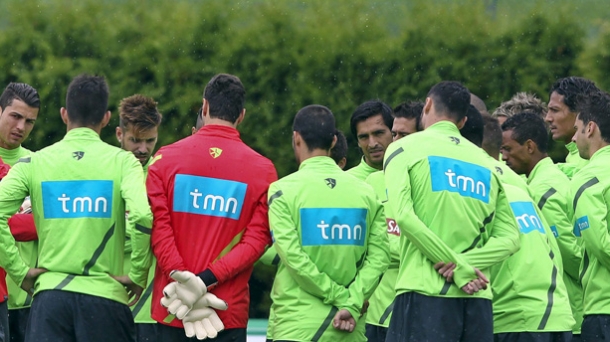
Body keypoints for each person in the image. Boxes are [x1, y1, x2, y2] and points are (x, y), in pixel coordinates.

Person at [0, 74, 153, 342]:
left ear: (63, 114)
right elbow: (142, 216)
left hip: (49, 301)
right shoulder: (124, 162)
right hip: (106, 299)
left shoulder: (36, 162)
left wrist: (19, 270)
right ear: (106, 119)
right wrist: (138, 274)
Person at [384, 81, 520, 342]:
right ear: (463, 121)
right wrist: (467, 265)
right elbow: (511, 238)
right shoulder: (487, 162)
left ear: (427, 105)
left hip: (423, 293)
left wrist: (457, 267)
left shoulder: (403, 148)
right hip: (477, 298)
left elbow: (403, 216)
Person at [147, 73, 277, 341]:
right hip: (226, 314)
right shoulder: (263, 170)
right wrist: (203, 281)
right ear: (241, 115)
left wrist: (186, 283)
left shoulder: (164, 159)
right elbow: (256, 242)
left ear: (204, 107)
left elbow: (159, 228)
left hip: (173, 307)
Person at [266, 104, 389, 341]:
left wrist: (337, 296)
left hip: (296, 326)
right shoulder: (366, 193)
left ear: (296, 138)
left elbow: (293, 258)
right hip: (350, 327)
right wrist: (351, 301)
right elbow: (379, 257)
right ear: (334, 141)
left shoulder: (282, 190)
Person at [464, 110, 574, 340]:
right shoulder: (519, 184)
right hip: (555, 313)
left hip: (517, 318)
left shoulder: (477, 183)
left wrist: (455, 264)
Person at [501, 112, 584, 337]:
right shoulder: (557, 177)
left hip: (567, 310)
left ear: (529, 146)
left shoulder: (540, 192)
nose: (503, 157)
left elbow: (569, 254)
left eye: (507, 149)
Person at [364, 101, 423, 342]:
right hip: (372, 317)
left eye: (404, 135)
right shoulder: (373, 183)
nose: (395, 142)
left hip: (415, 313)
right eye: (394, 133)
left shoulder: (431, 186)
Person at [116, 94, 163, 341]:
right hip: (110, 304)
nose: (143, 149)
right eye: (135, 140)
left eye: (150, 140)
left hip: (151, 311)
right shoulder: (107, 171)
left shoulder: (165, 175)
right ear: (118, 135)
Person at [0, 83, 40, 342]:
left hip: (30, 298)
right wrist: (24, 221)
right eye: (15, 116)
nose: (21, 127)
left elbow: (52, 223)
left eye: (29, 121)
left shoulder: (37, 164)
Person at [570, 90, 610, 342]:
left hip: (603, 308)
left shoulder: (588, 177)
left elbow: (600, 244)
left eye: (577, 129)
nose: (573, 138)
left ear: (590, 128)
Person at [546, 77, 598, 178]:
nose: (548, 118)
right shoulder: (573, 156)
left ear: (580, 112)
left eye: (555, 110)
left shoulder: (592, 159)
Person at [346, 100, 393, 180]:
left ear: (393, 133)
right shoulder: (347, 180)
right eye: (364, 137)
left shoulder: (410, 173)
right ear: (358, 142)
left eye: (378, 133)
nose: (372, 144)